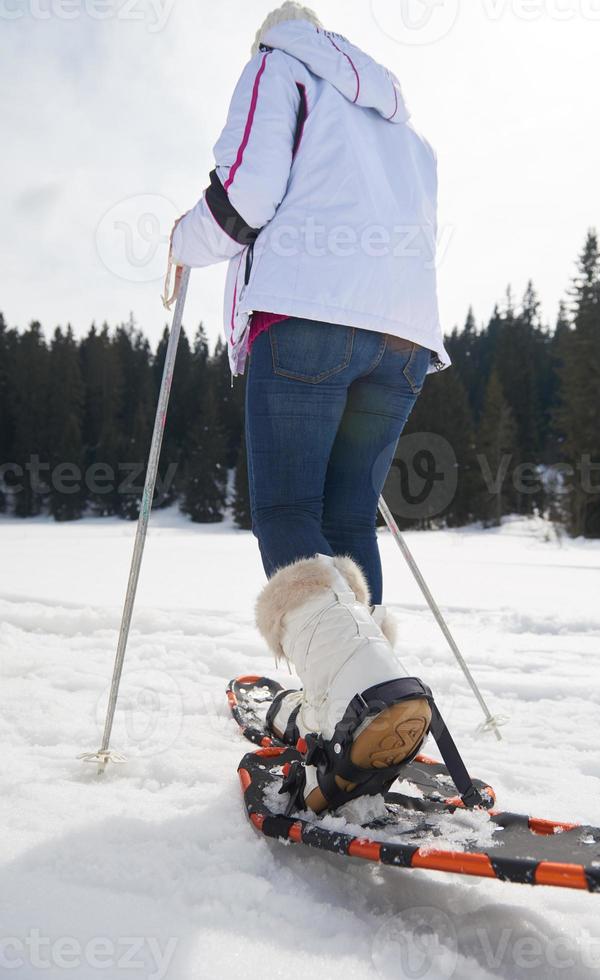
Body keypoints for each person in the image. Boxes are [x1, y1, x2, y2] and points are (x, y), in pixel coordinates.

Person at [170, 3, 449, 814]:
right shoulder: (408, 133)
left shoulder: (278, 66)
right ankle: (350, 702)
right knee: (348, 518)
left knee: (289, 512)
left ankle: (366, 692)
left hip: (306, 321)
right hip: (401, 339)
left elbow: (245, 194)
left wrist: (184, 240)